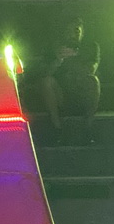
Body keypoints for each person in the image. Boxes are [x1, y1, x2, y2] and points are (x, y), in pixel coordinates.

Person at [23, 15, 101, 143]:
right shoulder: (53, 49)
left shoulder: (90, 47)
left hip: (81, 93)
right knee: (46, 82)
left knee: (94, 81)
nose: (73, 35)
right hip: (60, 96)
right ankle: (57, 128)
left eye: (76, 30)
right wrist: (58, 60)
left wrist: (75, 58)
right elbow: (43, 74)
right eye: (69, 31)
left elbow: (91, 69)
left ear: (82, 32)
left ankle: (88, 127)